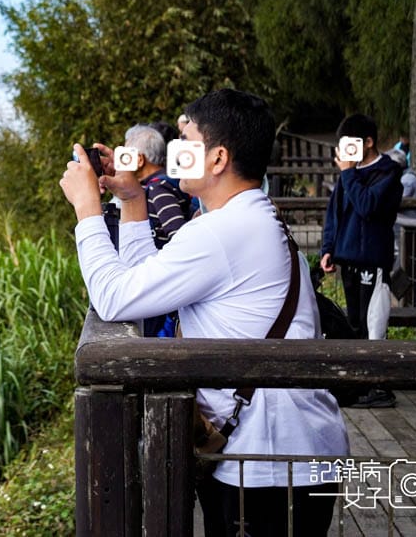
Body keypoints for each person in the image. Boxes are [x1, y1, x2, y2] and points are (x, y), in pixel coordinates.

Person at [61, 88, 348, 537]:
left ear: (216, 159)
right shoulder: (239, 218)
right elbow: (144, 286)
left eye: (185, 139)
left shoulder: (223, 231)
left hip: (268, 461)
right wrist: (133, 201)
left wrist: (87, 210)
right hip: (280, 454)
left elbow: (114, 297)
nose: (175, 152)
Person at [320, 113, 403, 408]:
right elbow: (335, 212)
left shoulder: (388, 173)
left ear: (368, 142)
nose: (345, 149)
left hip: (373, 261)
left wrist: (348, 172)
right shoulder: (348, 174)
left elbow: (367, 206)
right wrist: (328, 248)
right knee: (353, 323)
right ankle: (359, 385)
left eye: (351, 143)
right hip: (348, 260)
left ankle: (380, 387)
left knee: (374, 326)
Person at [115, 124, 190, 336]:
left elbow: (178, 235)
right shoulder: (164, 181)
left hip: (165, 286)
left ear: (139, 160)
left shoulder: (158, 188)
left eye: (124, 155)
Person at [386, 148, 416, 306]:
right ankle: (412, 301)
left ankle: (408, 301)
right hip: (409, 230)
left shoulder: (408, 180)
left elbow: (393, 200)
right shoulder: (405, 177)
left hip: (414, 231)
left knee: (404, 266)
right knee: (410, 265)